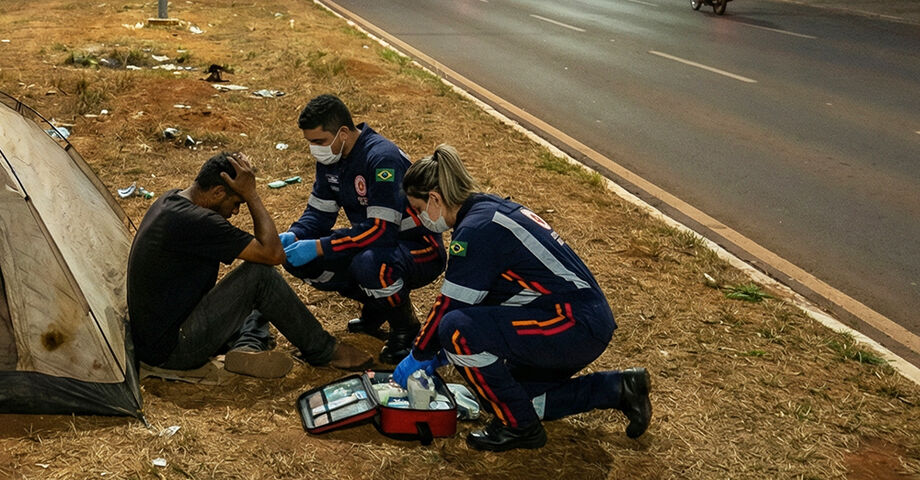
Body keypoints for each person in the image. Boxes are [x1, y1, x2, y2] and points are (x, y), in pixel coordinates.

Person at [391, 144, 652, 452]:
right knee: (511, 397)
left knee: (456, 330)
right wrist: (437, 354)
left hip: (572, 323)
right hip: (579, 319)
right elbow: (492, 297)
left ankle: (519, 429)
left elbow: (451, 305)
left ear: (434, 198)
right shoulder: (488, 212)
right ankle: (618, 388)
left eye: (420, 210)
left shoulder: (476, 230)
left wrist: (419, 354)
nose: (421, 219)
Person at [127, 152, 373, 379]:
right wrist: (252, 195)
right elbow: (272, 253)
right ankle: (324, 351)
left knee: (255, 292)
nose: (235, 211)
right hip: (173, 350)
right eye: (236, 202)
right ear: (217, 193)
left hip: (164, 331)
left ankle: (247, 347)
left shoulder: (172, 200)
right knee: (260, 276)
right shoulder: (199, 221)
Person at [281, 94, 447, 364]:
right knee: (298, 261)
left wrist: (321, 246)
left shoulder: (382, 159)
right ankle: (377, 305)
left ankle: (405, 327)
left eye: (319, 141)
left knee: (369, 266)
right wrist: (295, 235)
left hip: (418, 248)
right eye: (310, 142)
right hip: (375, 244)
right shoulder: (331, 160)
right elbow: (319, 215)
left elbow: (382, 231)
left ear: (343, 133)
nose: (314, 149)